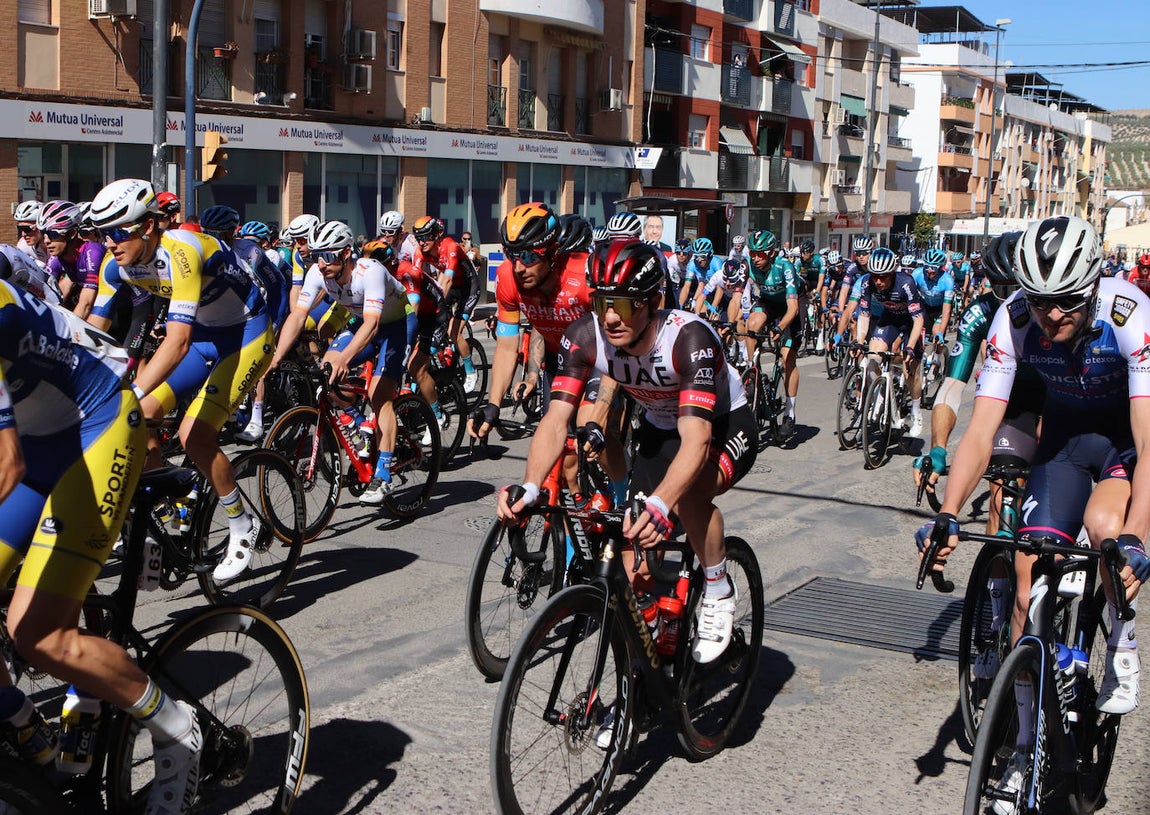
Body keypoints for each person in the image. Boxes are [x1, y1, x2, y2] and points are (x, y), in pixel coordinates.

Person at [918, 215, 1150, 809]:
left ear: (1093, 284)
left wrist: (1136, 538)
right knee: (1025, 584)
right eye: (1042, 301)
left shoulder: (1129, 314)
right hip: (1065, 443)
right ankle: (1025, 749)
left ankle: (1122, 638)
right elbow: (981, 431)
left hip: (1123, 442)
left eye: (1067, 301)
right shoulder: (1014, 316)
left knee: (1106, 530)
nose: (1052, 315)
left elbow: (1149, 440)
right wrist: (949, 512)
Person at [497, 238, 757, 666]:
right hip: (659, 429)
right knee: (634, 561)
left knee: (690, 497)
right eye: (601, 303)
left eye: (623, 304)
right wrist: (530, 486)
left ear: (653, 302)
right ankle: (650, 653)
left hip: (723, 425)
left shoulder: (689, 339)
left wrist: (662, 503)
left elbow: (697, 439)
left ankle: (717, 585)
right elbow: (556, 420)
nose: (611, 317)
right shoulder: (585, 336)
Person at [0, 277, 204, 814]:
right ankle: (24, 727)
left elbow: (6, 464)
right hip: (37, 436)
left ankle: (177, 728)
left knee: (37, 634)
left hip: (97, 425)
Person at [87, 178, 272, 584]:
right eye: (103, 233)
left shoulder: (181, 251)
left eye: (118, 232)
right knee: (139, 421)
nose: (110, 242)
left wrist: (132, 392)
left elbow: (177, 342)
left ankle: (242, 523)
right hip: (204, 335)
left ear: (147, 226)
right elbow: (93, 330)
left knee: (194, 435)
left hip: (245, 334)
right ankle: (164, 510)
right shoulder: (114, 264)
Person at [270, 220, 411, 504]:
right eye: (316, 256)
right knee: (326, 373)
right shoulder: (317, 272)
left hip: (397, 324)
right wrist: (275, 358)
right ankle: (360, 425)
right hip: (361, 322)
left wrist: (346, 358)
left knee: (379, 395)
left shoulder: (369, 271)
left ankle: (384, 474)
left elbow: (373, 324)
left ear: (346, 253)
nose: (320, 264)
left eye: (327, 255)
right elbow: (298, 316)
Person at [842, 246, 926, 436]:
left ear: (892, 274)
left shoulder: (906, 283)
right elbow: (864, 314)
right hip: (890, 318)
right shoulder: (867, 282)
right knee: (873, 357)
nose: (878, 281)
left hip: (912, 321)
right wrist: (859, 340)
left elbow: (918, 320)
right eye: (875, 276)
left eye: (883, 277)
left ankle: (916, 411)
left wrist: (910, 347)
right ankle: (883, 391)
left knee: (910, 369)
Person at [411, 216, 481, 392]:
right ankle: (444, 353)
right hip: (452, 286)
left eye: (425, 237)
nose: (421, 242)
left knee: (453, 332)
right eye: (418, 238)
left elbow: (447, 280)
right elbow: (415, 279)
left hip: (468, 287)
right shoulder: (420, 252)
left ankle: (470, 369)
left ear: (435, 235)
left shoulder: (450, 246)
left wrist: (436, 306)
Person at [745, 229, 800, 438]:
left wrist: (779, 328)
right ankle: (752, 371)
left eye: (760, 254)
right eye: (753, 253)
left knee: (787, 359)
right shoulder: (749, 264)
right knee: (751, 324)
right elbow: (737, 295)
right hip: (769, 302)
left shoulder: (784, 266)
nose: (756, 258)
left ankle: (789, 413)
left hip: (791, 306)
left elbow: (792, 309)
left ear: (772, 253)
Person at [40, 200, 104, 317]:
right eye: (43, 234)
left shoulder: (92, 252)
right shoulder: (56, 259)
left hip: (127, 304)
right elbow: (46, 294)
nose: (46, 241)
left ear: (72, 233)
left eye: (52, 234)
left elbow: (86, 304)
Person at [13, 201, 48, 269]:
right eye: (20, 229)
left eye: (26, 229)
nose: (23, 234)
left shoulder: (57, 243)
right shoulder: (23, 244)